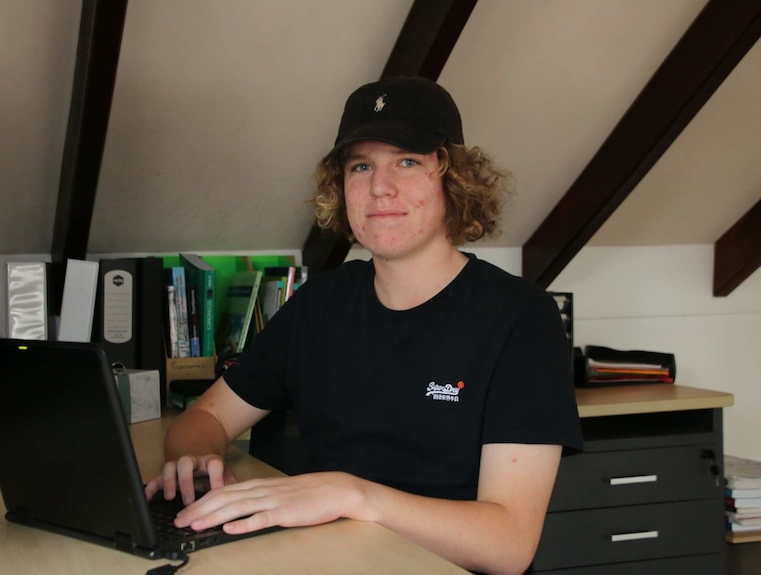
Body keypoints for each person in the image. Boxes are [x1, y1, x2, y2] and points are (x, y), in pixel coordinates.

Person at [145, 76, 582, 575]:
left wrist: (351, 495)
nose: (380, 187)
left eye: (408, 161)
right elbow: (208, 417)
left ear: (454, 180)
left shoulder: (521, 318)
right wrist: (197, 461)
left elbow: (508, 544)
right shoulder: (322, 303)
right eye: (361, 166)